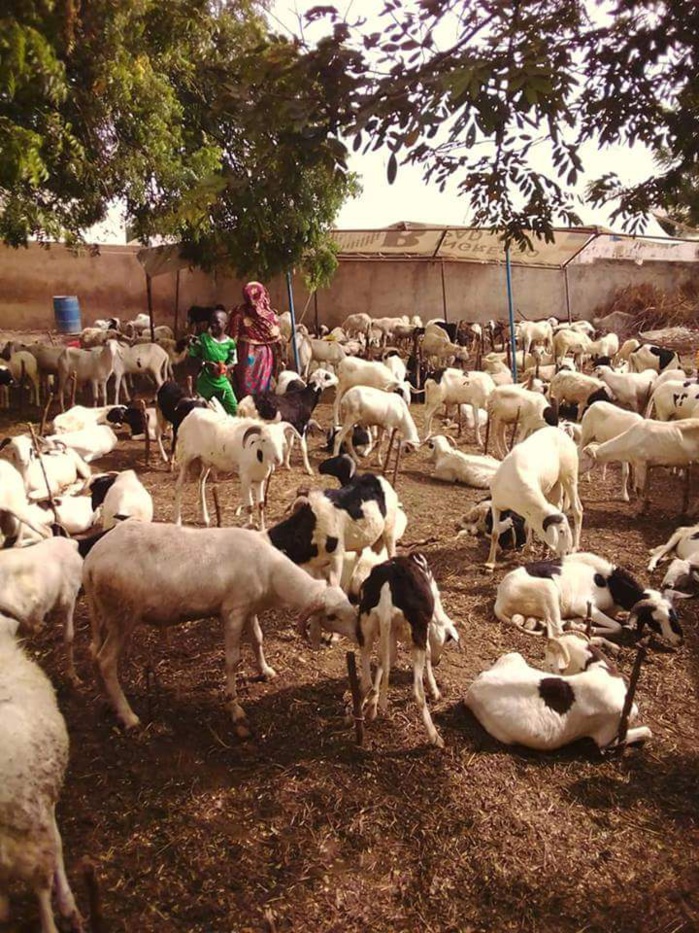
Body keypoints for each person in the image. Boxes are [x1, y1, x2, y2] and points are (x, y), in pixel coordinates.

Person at [229, 282, 281, 398]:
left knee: (244, 383)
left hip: (245, 352)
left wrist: (229, 358)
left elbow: (233, 337)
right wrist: (281, 354)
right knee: (262, 383)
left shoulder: (238, 312)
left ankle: (244, 404)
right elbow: (277, 337)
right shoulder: (269, 316)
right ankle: (259, 405)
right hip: (264, 354)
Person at [188, 308, 238, 415]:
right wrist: (205, 364)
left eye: (217, 322)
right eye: (211, 321)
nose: (213, 325)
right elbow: (192, 357)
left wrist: (224, 368)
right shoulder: (203, 339)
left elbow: (233, 361)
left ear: (226, 324)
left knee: (234, 409)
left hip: (221, 382)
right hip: (205, 382)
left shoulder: (230, 343)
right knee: (201, 411)